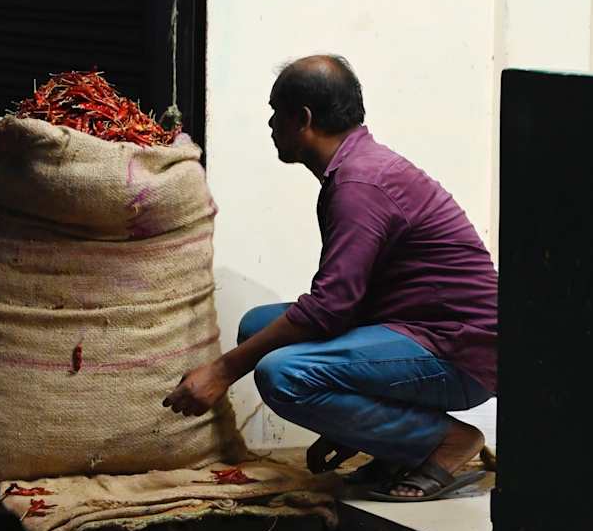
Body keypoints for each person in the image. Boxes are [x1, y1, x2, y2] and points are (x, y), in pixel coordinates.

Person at [163, 55, 498, 502]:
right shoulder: (357, 169)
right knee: (259, 328)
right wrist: (349, 424)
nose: (268, 125)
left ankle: (445, 442)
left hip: (458, 354)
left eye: (274, 113)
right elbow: (344, 301)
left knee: (281, 372)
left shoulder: (360, 184)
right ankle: (395, 445)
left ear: (302, 119)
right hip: (412, 331)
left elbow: (331, 306)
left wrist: (223, 370)